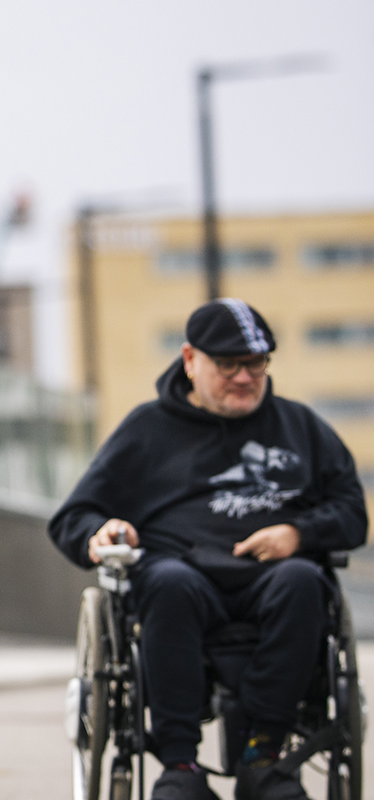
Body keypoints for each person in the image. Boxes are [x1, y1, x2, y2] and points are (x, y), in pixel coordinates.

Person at [49, 299, 366, 800]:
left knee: (303, 579)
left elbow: (353, 512)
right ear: (190, 360)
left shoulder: (300, 428)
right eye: (228, 365)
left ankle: (263, 757)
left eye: (256, 364)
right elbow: (73, 517)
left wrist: (298, 534)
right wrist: (101, 532)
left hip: (273, 583)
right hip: (181, 580)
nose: (245, 377)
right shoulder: (146, 431)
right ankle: (180, 766)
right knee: (167, 581)